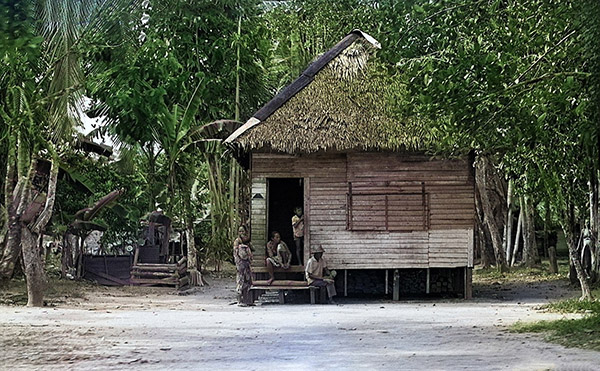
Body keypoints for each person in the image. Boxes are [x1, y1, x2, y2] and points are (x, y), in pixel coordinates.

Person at [233, 225, 254, 306]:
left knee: (248, 281)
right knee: (241, 282)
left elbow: (252, 250)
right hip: (240, 264)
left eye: (243, 231)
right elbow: (239, 254)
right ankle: (240, 300)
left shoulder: (247, 242)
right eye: (240, 231)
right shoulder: (237, 242)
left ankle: (246, 300)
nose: (241, 233)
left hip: (247, 265)